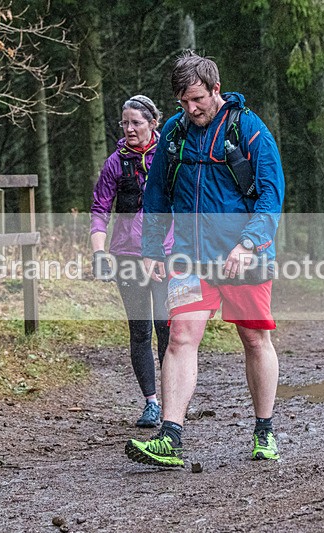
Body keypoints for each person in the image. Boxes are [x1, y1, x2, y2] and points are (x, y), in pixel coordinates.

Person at [124, 50, 285, 467]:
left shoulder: (248, 128)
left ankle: (264, 432)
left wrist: (249, 243)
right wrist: (151, 249)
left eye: (197, 99)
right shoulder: (175, 134)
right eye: (183, 102)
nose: (191, 108)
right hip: (189, 257)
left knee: (254, 338)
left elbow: (272, 193)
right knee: (180, 337)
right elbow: (156, 194)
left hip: (244, 256)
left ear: (215, 89)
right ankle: (170, 436)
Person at [90, 95, 172, 428]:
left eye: (136, 122)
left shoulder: (169, 157)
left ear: (154, 123)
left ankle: (172, 402)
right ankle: (151, 403)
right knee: (139, 331)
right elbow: (99, 210)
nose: (129, 129)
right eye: (125, 123)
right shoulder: (115, 162)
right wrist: (99, 252)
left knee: (166, 330)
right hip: (126, 257)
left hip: (165, 254)